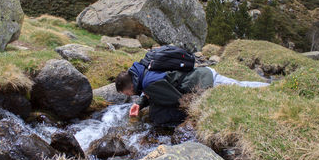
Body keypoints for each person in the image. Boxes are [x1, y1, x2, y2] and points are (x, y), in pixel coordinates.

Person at [115, 62, 269, 126]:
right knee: (239, 88)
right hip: (202, 75)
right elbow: (155, 90)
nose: (129, 95)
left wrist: (152, 99)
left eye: (127, 93)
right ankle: (269, 87)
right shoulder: (143, 72)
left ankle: (272, 87)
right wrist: (140, 104)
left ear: (129, 86)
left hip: (206, 81)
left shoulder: (148, 84)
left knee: (241, 89)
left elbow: (178, 100)